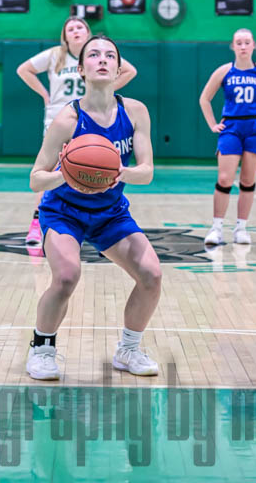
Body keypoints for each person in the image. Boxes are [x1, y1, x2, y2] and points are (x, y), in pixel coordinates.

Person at [26, 34, 161, 381]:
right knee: (66, 276)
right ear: (81, 69)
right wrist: (65, 173)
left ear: (118, 69)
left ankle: (128, 350)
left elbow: (146, 172)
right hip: (64, 211)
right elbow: (36, 179)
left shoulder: (135, 112)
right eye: (94, 55)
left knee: (151, 275)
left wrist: (121, 172)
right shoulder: (67, 120)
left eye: (110, 55)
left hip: (110, 213)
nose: (102, 59)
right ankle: (42, 349)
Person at [17, 18, 136, 243]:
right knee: (50, 170)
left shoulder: (98, 54)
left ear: (88, 32)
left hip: (91, 116)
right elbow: (24, 70)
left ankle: (102, 223)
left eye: (80, 27)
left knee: (97, 166)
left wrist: (107, 87)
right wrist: (44, 94)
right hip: (60, 119)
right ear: (65, 36)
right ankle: (37, 222)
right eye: (70, 29)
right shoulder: (54, 55)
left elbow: (130, 71)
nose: (75, 31)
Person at [199, 27, 256, 245]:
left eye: (247, 42)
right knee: (224, 179)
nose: (243, 46)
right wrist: (212, 124)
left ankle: (241, 229)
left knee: (248, 180)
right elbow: (204, 98)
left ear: (253, 45)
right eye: (239, 42)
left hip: (255, 128)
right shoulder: (224, 71)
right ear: (233, 46)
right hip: (231, 127)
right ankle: (216, 228)